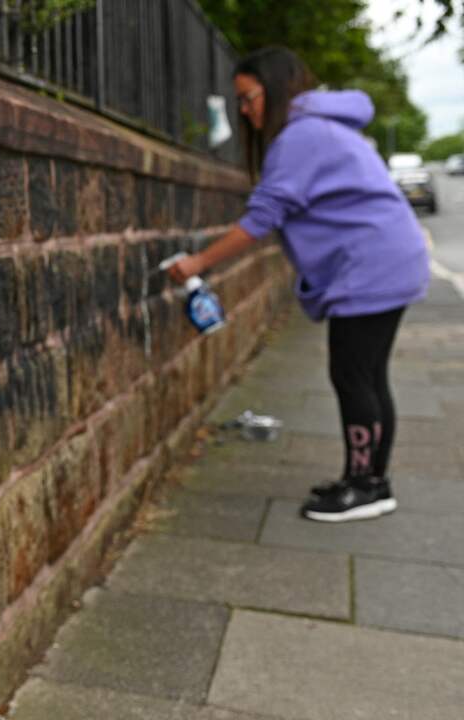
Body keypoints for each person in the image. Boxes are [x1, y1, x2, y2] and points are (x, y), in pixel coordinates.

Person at [167, 47, 430, 523]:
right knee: (366, 375)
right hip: (386, 258)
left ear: (277, 87)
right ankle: (368, 479)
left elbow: (262, 218)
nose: (244, 112)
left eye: (249, 98)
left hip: (371, 266)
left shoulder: (300, 136)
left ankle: (367, 486)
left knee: (354, 376)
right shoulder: (318, 128)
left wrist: (197, 263)